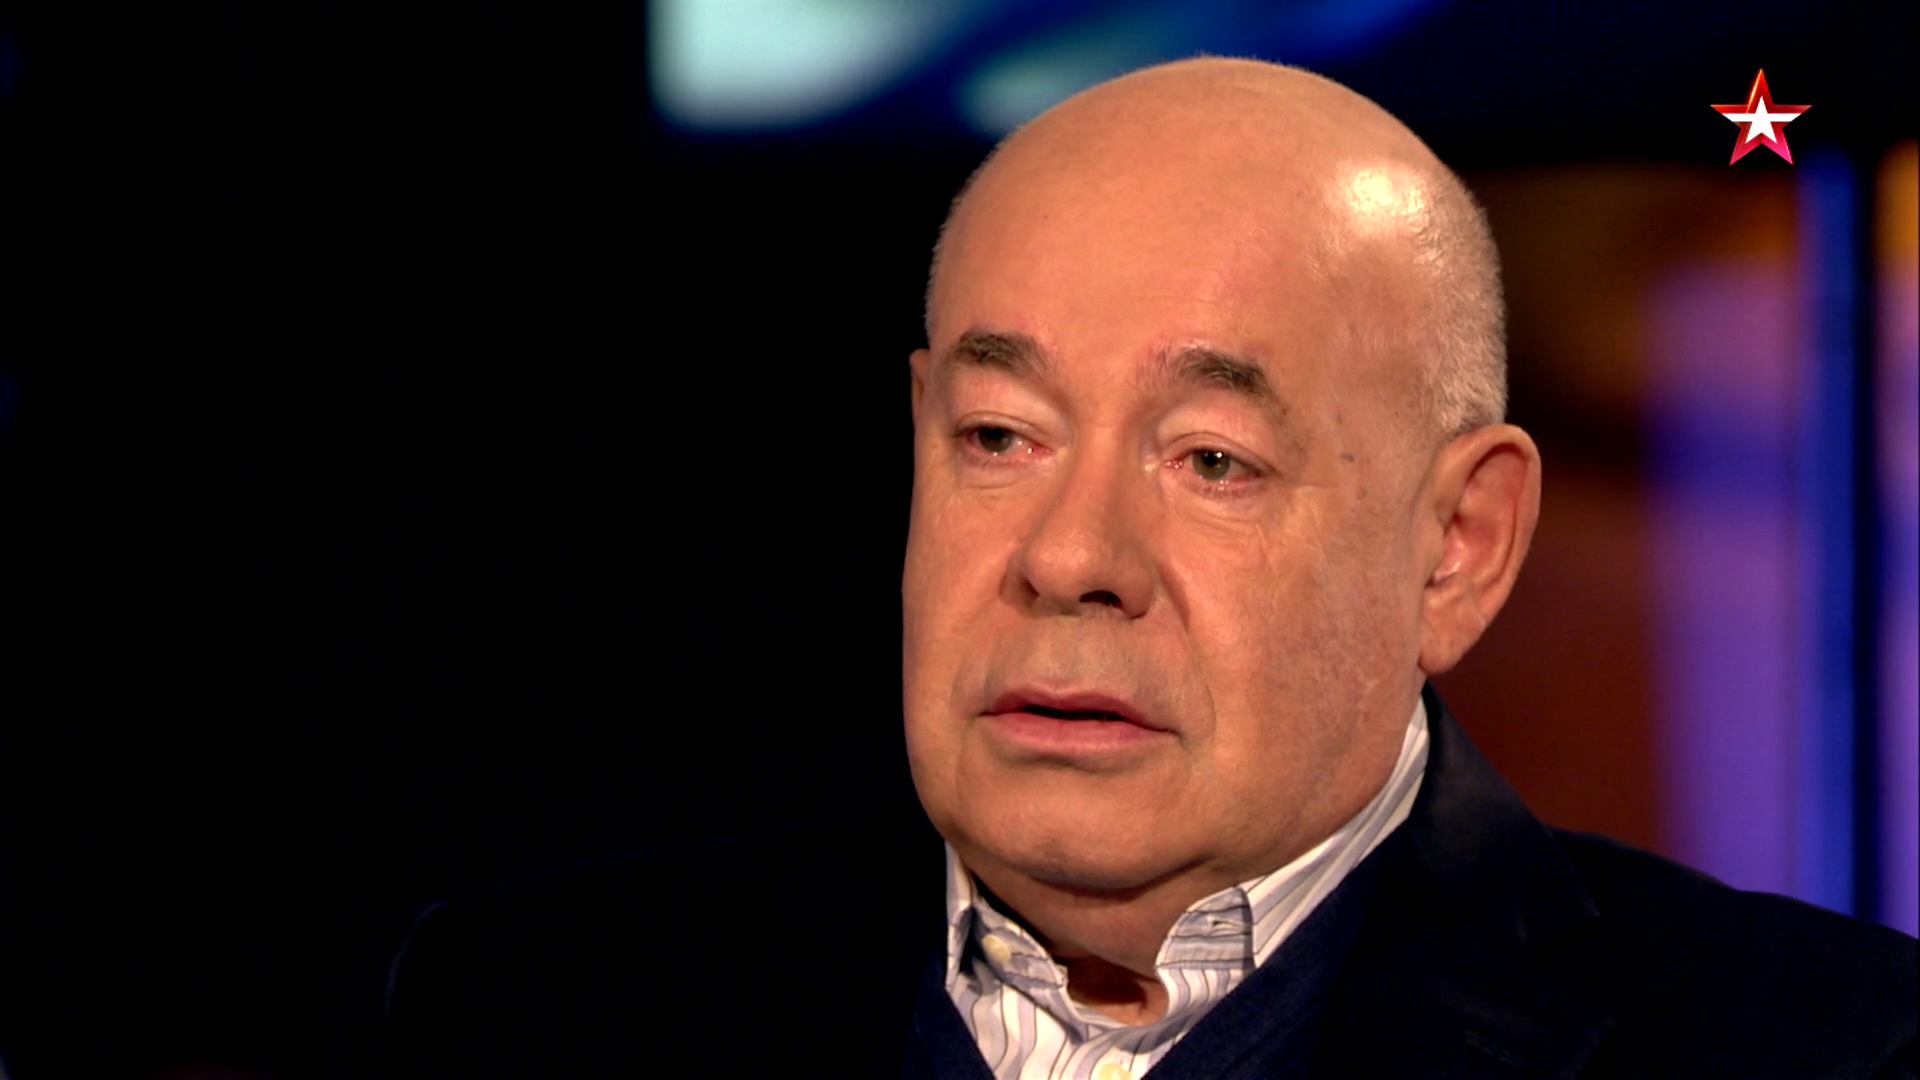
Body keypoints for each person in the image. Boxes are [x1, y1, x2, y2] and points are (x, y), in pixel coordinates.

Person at [379, 57, 1916, 1078]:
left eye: (1212, 461)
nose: (1070, 559)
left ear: (1459, 545)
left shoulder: (1820, 1052)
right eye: (999, 437)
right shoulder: (525, 1008)